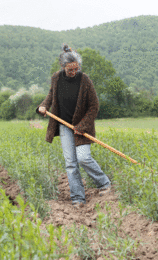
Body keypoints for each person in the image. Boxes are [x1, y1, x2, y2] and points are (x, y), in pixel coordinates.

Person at [37, 44, 111, 208]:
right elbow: (51, 95)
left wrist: (82, 125)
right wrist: (43, 106)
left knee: (83, 157)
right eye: (70, 70)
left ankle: (104, 184)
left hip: (81, 127)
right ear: (63, 67)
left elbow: (94, 106)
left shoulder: (85, 80)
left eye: (76, 69)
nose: (73, 72)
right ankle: (78, 198)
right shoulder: (56, 78)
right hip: (64, 126)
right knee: (70, 163)